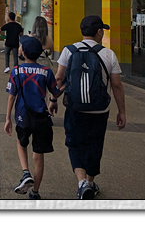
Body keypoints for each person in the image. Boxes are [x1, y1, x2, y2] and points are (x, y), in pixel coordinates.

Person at [49, 15, 126, 200]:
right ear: (99, 32)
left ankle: (81, 181)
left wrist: (53, 99)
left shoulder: (68, 51)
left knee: (74, 143)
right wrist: (121, 111)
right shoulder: (109, 54)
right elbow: (116, 85)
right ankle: (90, 182)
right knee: (95, 144)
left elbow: (59, 78)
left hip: (75, 108)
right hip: (99, 110)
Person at [5, 36, 61, 200]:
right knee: (38, 155)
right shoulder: (46, 71)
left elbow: (11, 96)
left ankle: (25, 172)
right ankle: (35, 192)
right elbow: (56, 92)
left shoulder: (16, 71)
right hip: (41, 117)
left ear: (23, 52)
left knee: (21, 143)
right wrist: (63, 88)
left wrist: (8, 118)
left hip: (23, 116)